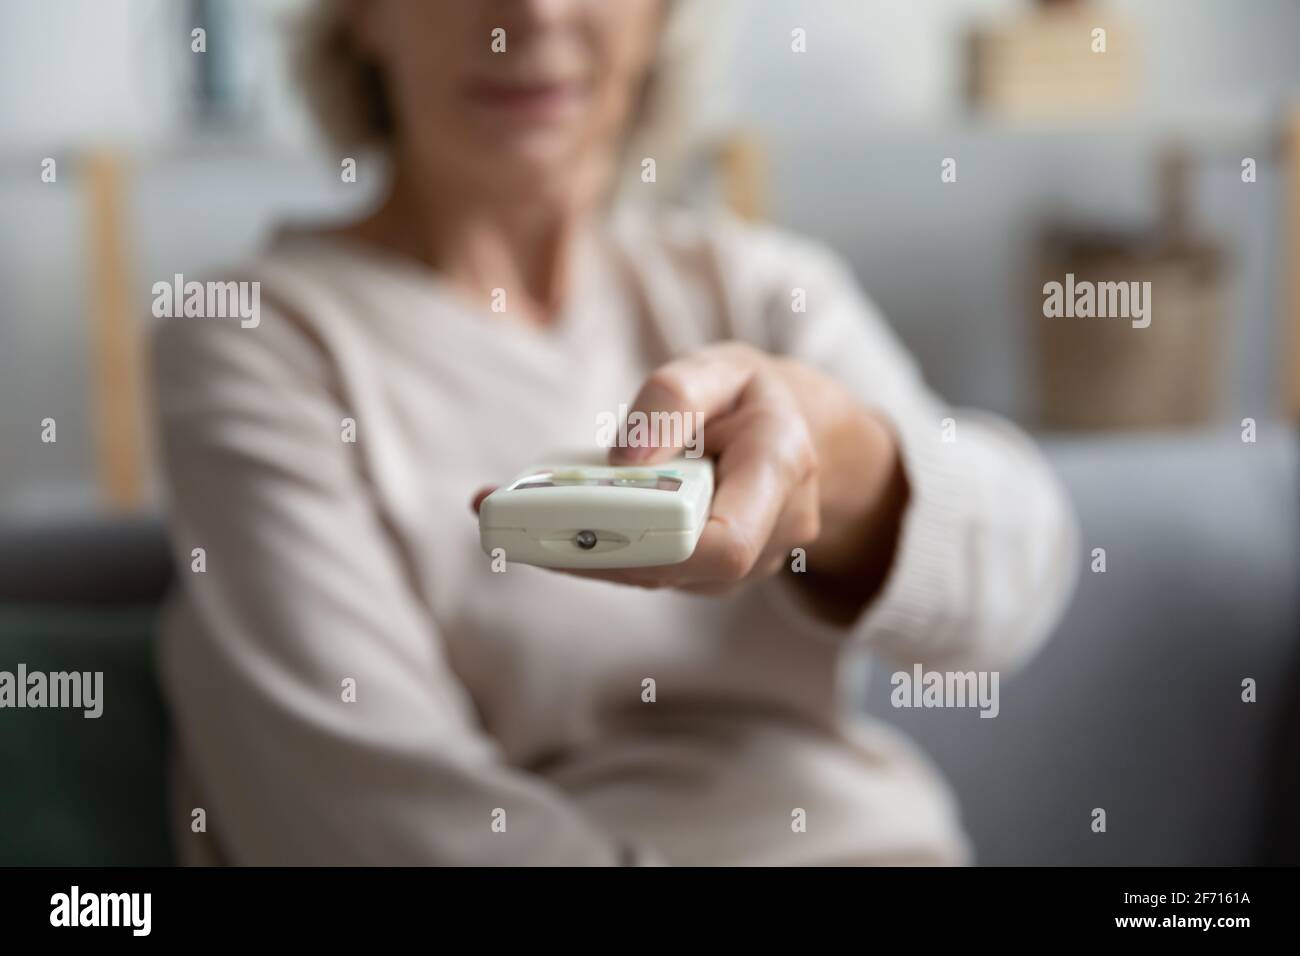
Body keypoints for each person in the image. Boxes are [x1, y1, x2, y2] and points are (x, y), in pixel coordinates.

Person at [150, 0, 1078, 866]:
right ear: (363, 14)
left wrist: (848, 476)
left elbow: (1020, 585)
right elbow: (371, 807)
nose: (533, 15)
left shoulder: (754, 286)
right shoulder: (254, 336)